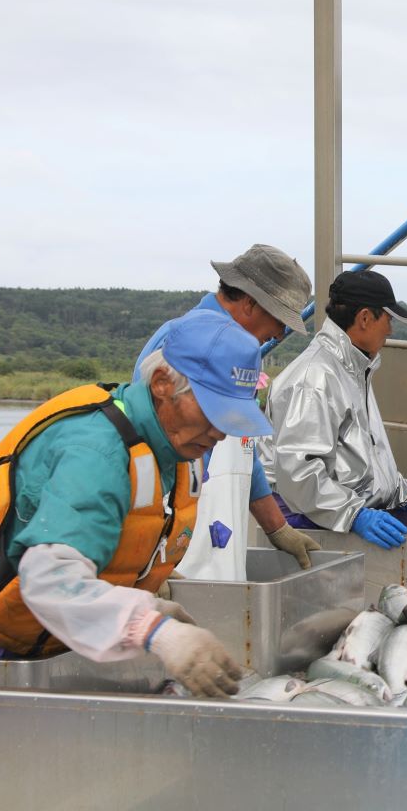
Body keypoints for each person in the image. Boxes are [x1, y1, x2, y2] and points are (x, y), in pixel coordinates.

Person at [0, 309, 265, 699]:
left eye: (232, 416)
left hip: (57, 644)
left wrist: (149, 595)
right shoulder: (95, 452)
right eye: (212, 409)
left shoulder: (171, 448)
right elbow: (50, 578)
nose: (220, 431)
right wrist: (152, 630)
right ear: (163, 384)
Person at [135, 244, 320, 573]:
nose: (280, 333)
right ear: (249, 303)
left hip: (219, 540)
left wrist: (277, 528)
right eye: (279, 319)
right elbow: (145, 465)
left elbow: (242, 448)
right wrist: (146, 562)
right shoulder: (179, 347)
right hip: (174, 547)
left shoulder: (242, 356)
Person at [268, 269, 407, 551]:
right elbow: (298, 474)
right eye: (388, 320)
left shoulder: (353, 368)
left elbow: (363, 451)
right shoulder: (314, 378)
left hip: (339, 517)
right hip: (312, 526)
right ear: (364, 318)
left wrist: (400, 494)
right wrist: (355, 515)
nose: (391, 331)